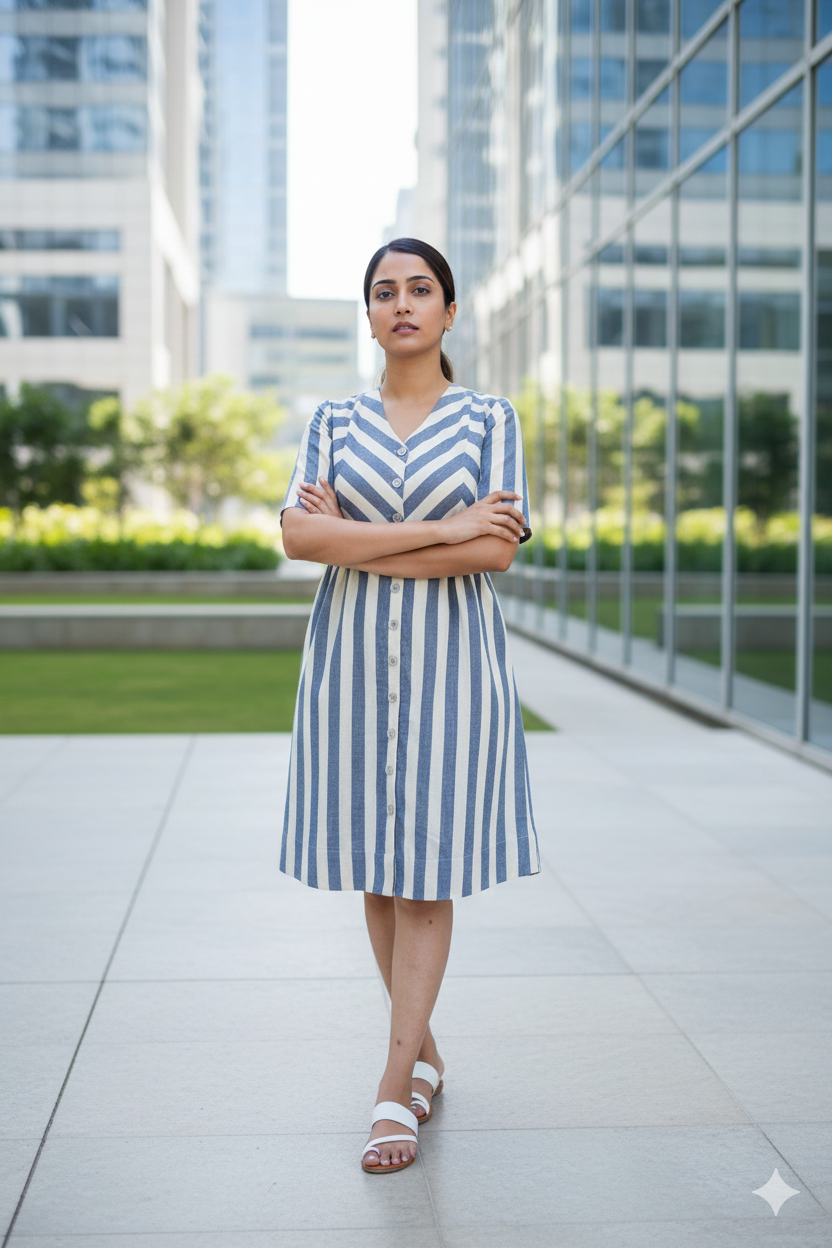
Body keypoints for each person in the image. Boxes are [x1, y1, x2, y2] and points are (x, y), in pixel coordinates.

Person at [280, 238, 540, 1174]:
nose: (402, 303)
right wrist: (442, 526)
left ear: (449, 311)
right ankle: (423, 1052)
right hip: (349, 669)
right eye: (384, 292)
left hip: (453, 669)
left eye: (420, 289)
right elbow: (300, 537)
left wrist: (359, 538)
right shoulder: (332, 421)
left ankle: (395, 1089)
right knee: (378, 872)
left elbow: (495, 552)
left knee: (427, 871)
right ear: (369, 315)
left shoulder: (490, 419)